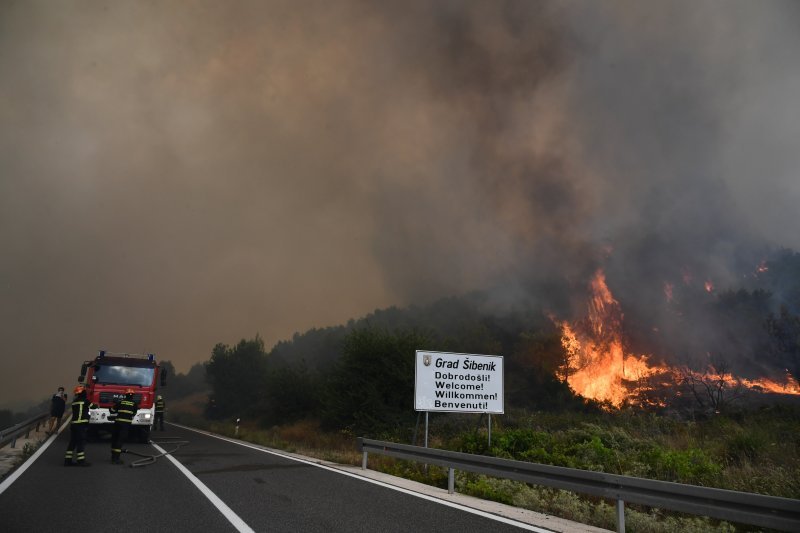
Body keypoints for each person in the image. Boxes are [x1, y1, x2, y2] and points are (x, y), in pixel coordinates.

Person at [64, 385, 95, 466]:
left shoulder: (74, 402)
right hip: (81, 425)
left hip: (74, 424)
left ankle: (67, 461)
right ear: (83, 393)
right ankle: (81, 461)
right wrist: (97, 405)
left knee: (72, 442)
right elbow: (93, 406)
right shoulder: (85, 401)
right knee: (81, 442)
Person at [110, 388, 138, 465]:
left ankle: (113, 457)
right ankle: (116, 459)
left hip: (117, 423)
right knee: (120, 441)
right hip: (125, 425)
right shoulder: (134, 404)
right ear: (132, 396)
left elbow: (112, 411)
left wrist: (113, 405)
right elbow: (133, 413)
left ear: (125, 395)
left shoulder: (120, 402)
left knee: (115, 439)